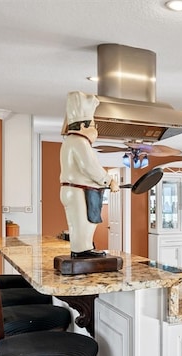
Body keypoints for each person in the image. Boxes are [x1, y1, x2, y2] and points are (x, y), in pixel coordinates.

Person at [60, 91, 119, 258]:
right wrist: (109, 181)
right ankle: (82, 251)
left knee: (82, 223)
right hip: (78, 192)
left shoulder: (70, 142)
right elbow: (89, 167)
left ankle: (84, 249)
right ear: (84, 126)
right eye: (94, 126)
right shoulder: (80, 142)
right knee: (82, 224)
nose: (96, 130)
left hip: (76, 190)